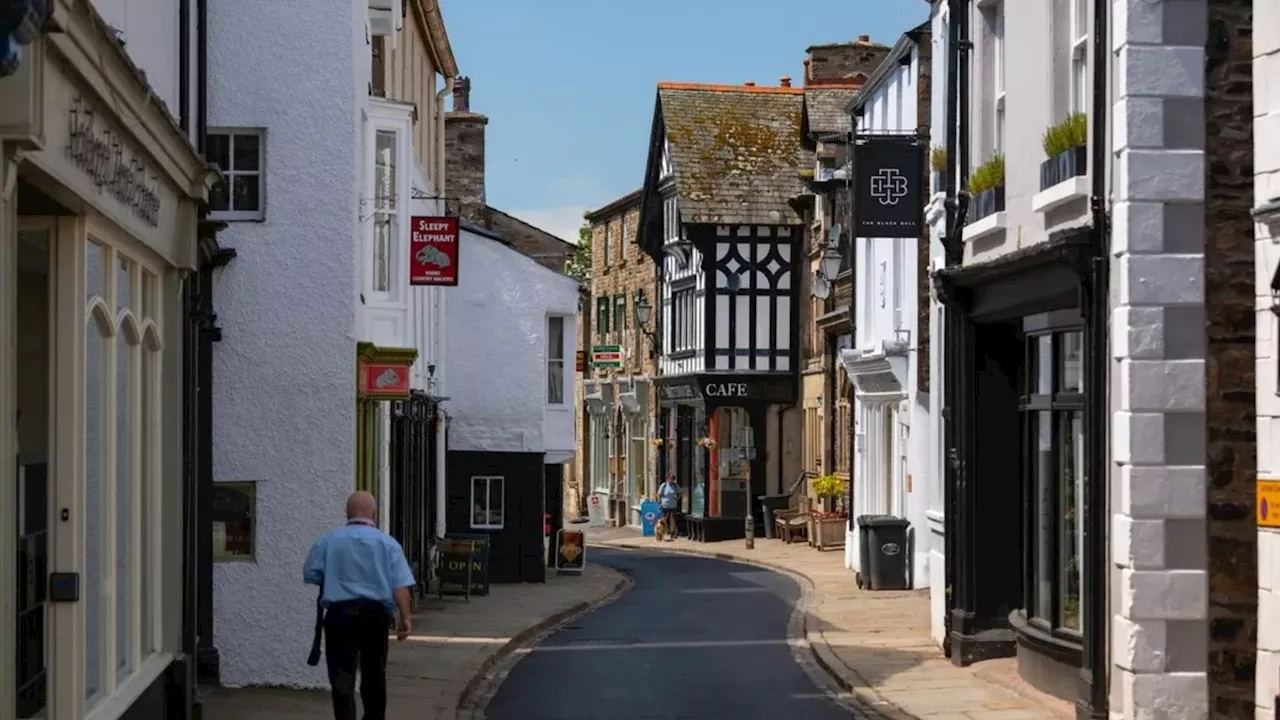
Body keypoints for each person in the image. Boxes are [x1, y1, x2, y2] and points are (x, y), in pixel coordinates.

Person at [303, 491, 415, 720]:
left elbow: (311, 574)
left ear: (347, 512)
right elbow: (400, 585)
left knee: (342, 678)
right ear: (374, 512)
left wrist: (336, 576)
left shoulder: (328, 541)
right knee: (374, 675)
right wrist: (406, 617)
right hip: (374, 617)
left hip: (340, 616)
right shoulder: (388, 544)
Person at [658, 474, 681, 541]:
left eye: (672, 479)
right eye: (670, 478)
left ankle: (672, 533)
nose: (671, 480)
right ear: (667, 479)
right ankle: (664, 530)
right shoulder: (664, 485)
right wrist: (659, 502)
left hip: (673, 505)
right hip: (664, 505)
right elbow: (659, 494)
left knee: (672, 519)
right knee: (664, 518)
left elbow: (681, 492)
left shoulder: (675, 485)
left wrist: (677, 498)